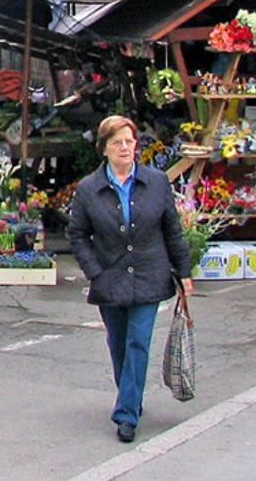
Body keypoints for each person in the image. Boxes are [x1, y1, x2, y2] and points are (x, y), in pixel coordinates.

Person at [68, 115, 192, 444]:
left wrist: (184, 271)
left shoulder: (156, 182)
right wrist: (94, 271)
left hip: (150, 274)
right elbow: (78, 235)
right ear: (104, 149)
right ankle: (132, 396)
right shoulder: (88, 189)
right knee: (118, 343)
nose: (125, 148)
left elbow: (172, 230)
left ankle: (126, 415)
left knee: (139, 341)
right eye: (117, 142)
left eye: (129, 141)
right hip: (109, 276)